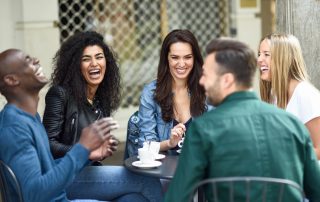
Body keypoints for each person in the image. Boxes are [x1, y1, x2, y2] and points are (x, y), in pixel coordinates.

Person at [164, 38, 320, 202]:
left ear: (227, 80)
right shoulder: (293, 124)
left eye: (206, 75)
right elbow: (316, 191)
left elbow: (176, 197)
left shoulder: (203, 129)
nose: (201, 82)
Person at [42, 31, 163, 201]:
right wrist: (86, 152)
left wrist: (101, 150)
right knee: (146, 181)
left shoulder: (100, 102)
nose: (94, 63)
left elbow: (95, 153)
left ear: (107, 62)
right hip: (62, 175)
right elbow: (47, 145)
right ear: (75, 66)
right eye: (86, 59)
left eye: (99, 57)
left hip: (87, 172)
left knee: (134, 199)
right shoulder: (60, 94)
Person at [0, 49, 119, 201]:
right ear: (11, 80)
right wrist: (82, 147)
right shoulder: (14, 128)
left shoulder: (30, 117)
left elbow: (48, 169)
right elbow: (33, 195)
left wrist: (87, 154)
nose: (36, 60)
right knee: (143, 184)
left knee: (133, 195)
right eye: (28, 60)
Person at [128, 29, 207, 155]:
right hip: (162, 172)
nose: (181, 64)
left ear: (195, 58)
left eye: (187, 57)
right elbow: (146, 145)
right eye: (175, 57)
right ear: (166, 59)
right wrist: (169, 143)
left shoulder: (207, 90)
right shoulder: (150, 93)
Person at [258, 33, 320, 159]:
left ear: (283, 58)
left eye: (266, 54)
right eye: (259, 54)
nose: (259, 60)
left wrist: (287, 160)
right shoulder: (273, 95)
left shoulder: (305, 94)